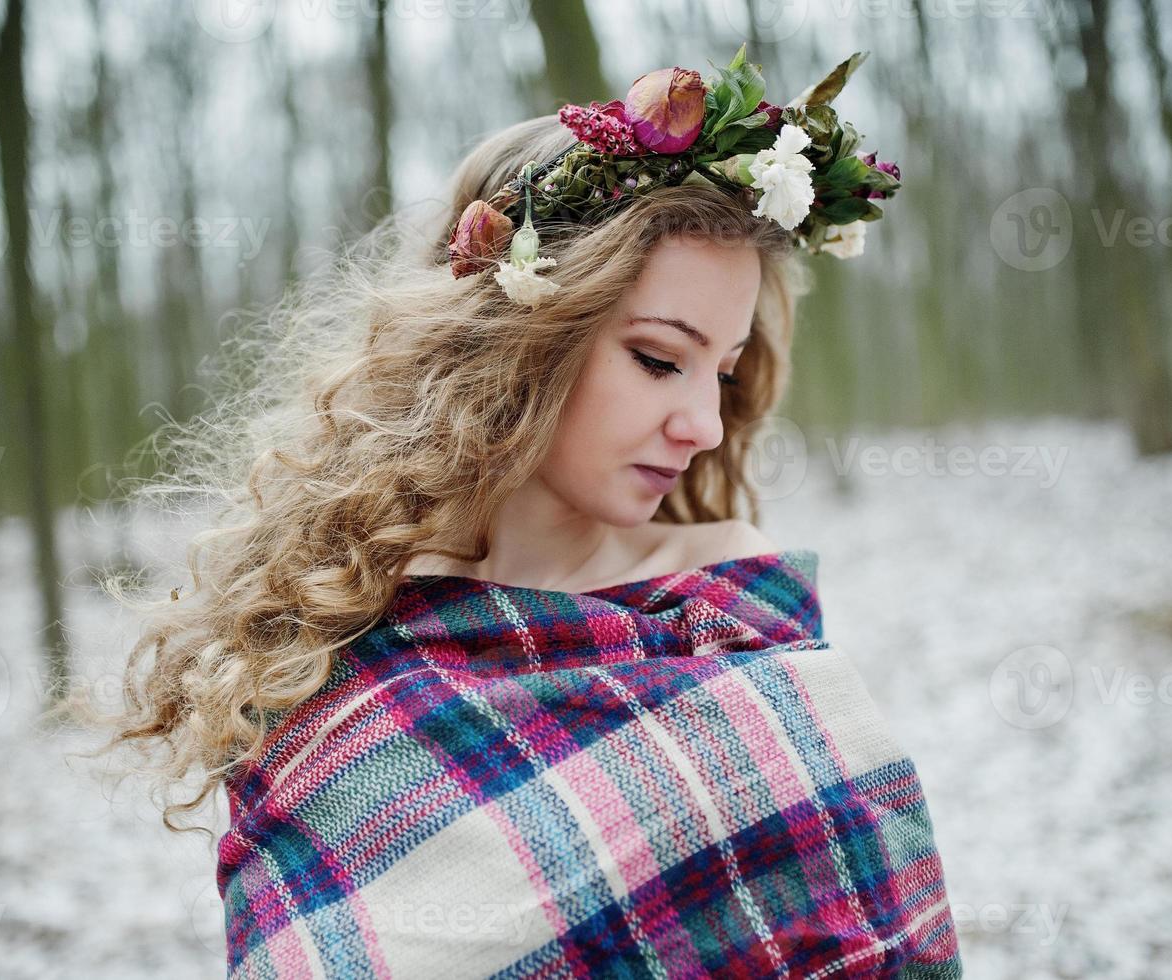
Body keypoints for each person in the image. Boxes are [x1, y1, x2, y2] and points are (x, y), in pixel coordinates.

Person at [90, 47, 959, 978]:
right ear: (517, 338)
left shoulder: (723, 602)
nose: (703, 423)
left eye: (726, 370)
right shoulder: (328, 659)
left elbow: (855, 930)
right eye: (661, 359)